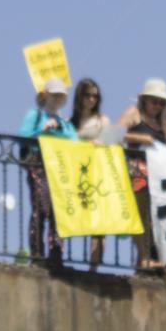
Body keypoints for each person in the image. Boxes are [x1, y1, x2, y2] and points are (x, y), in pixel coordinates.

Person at [118, 79, 166, 272]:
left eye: (161, 103)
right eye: (154, 101)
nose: (157, 106)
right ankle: (142, 258)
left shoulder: (162, 123)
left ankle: (151, 258)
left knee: (153, 219)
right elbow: (112, 134)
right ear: (145, 100)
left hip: (157, 178)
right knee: (140, 216)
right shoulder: (134, 114)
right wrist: (141, 138)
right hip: (137, 173)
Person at [15, 76, 73, 265]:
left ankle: (56, 254)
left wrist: (60, 131)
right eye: (55, 95)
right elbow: (23, 137)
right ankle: (37, 254)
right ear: (46, 95)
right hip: (39, 166)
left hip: (59, 169)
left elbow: (75, 142)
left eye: (61, 97)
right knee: (40, 208)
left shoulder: (64, 123)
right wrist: (42, 130)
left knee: (58, 212)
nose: (58, 100)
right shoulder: (35, 115)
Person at [69, 78, 110, 270]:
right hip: (77, 173)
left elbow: (114, 142)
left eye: (95, 95)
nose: (92, 99)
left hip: (98, 173)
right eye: (88, 95)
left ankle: (94, 267)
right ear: (80, 96)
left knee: (99, 223)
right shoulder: (70, 123)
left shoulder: (102, 120)